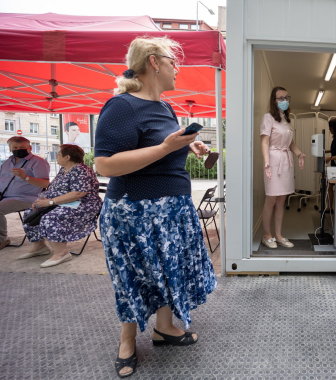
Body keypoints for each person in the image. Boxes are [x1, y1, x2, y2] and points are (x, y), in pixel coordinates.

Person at [94, 36, 216, 378]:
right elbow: (104, 165)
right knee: (133, 276)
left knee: (166, 272)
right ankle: (127, 339)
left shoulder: (164, 107)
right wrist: (165, 148)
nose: (177, 69)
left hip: (172, 207)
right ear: (154, 62)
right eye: (173, 62)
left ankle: (165, 328)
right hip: (135, 211)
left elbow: (161, 145)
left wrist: (188, 145)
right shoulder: (121, 106)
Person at [20, 144, 102, 267]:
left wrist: (50, 202)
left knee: (50, 217)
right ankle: (39, 246)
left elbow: (78, 193)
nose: (56, 156)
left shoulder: (81, 170)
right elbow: (52, 188)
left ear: (67, 157)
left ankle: (61, 252)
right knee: (29, 213)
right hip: (62, 202)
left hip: (83, 205)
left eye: (58, 154)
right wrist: (40, 200)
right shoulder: (64, 169)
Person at [260, 86, 306, 249]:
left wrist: (300, 153)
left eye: (286, 97)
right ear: (274, 101)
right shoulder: (268, 118)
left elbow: (291, 143)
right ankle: (267, 235)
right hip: (273, 160)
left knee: (282, 199)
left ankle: (278, 235)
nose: (284, 100)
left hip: (286, 161)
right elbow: (265, 141)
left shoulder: (287, 120)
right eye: (280, 98)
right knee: (271, 198)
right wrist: (266, 161)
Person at [0, 136, 50, 249]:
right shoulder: (7, 162)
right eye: (15, 147)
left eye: (22, 147)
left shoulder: (38, 162)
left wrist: (25, 177)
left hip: (26, 198)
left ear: (30, 148)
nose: (18, 149)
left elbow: (45, 184)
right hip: (4, 195)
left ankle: (2, 239)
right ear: (10, 149)